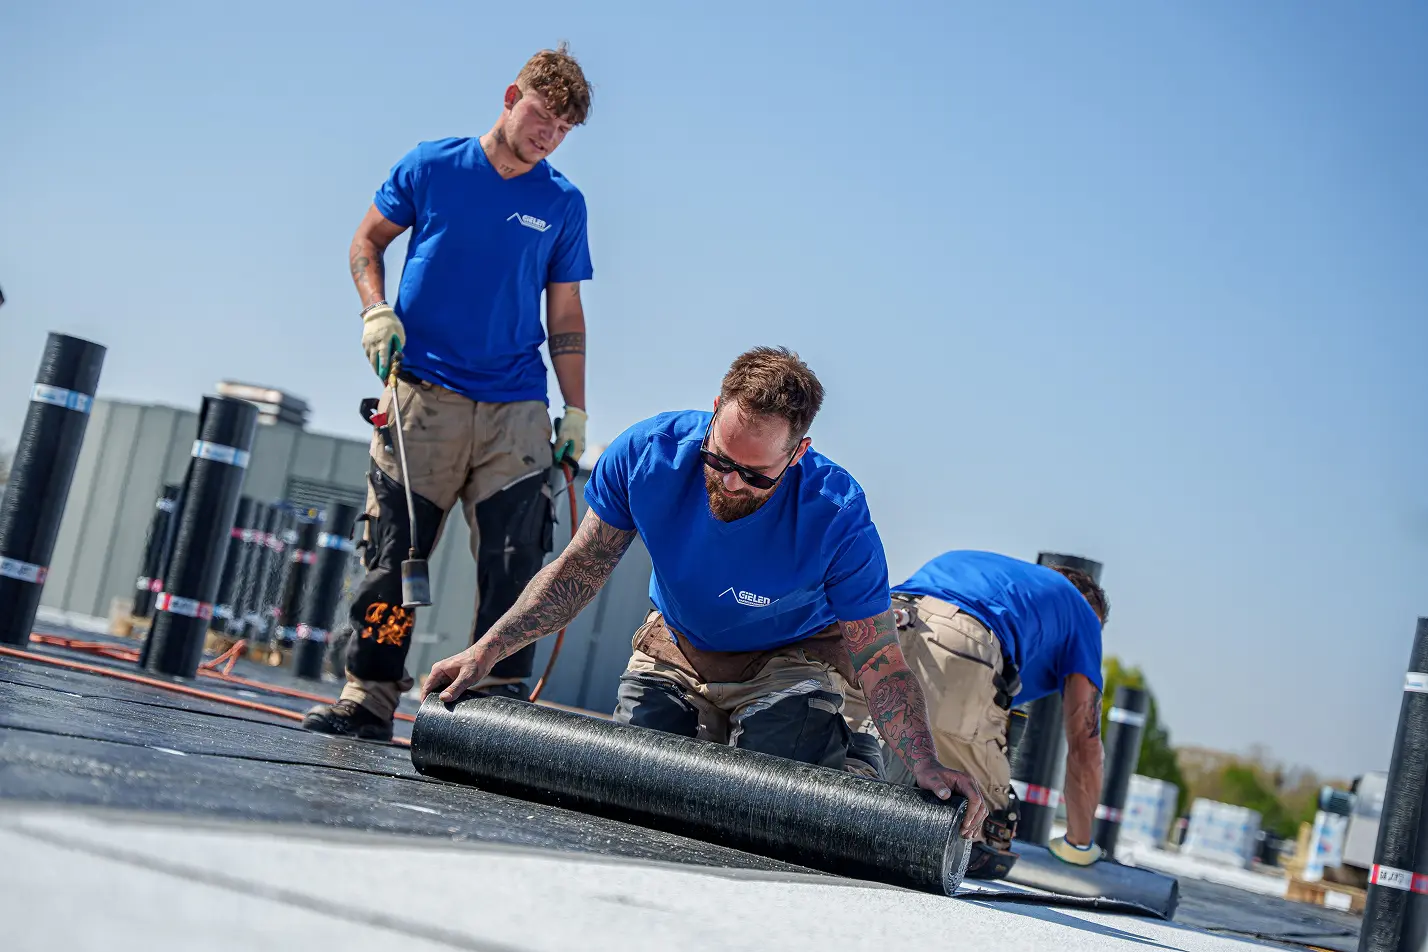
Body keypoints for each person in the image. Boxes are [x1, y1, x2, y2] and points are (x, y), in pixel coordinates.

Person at [423, 346, 989, 837]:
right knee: (633, 794)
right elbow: (579, 570)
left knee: (779, 807)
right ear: (715, 413)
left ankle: (850, 756)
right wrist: (487, 650)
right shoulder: (648, 454)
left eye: (756, 475)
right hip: (677, 648)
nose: (730, 482)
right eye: (720, 460)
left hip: (787, 659)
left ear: (798, 453)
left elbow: (878, 658)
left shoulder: (837, 515)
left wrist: (923, 761)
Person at [303, 44, 595, 741]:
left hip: (516, 409)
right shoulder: (431, 166)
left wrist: (575, 409)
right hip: (422, 396)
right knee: (392, 553)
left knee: (516, 562)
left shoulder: (561, 203)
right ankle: (370, 696)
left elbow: (565, 315)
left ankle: (492, 709)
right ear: (510, 96)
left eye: (562, 128)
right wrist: (376, 309)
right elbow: (365, 243)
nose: (547, 133)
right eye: (542, 114)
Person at [841, 549, 1109, 878]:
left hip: (885, 617)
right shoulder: (1082, 614)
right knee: (985, 826)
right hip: (960, 642)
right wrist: (1079, 846)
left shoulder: (1000, 579)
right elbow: (1085, 742)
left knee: (850, 768)